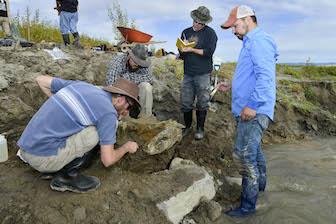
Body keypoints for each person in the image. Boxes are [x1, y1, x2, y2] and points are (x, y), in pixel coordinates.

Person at [17, 76, 141, 193]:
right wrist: (126, 147)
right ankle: (66, 176)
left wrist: (61, 106)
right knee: (95, 132)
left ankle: (56, 163)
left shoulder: (82, 86)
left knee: (85, 122)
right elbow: (107, 160)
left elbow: (40, 80)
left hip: (26, 147)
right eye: (128, 107)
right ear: (121, 99)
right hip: (41, 159)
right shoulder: (108, 113)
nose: (126, 112)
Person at [218, 5, 279, 216]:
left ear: (248, 19)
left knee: (243, 156)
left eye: (235, 26)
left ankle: (248, 208)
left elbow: (265, 77)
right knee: (255, 154)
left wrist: (252, 105)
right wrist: (232, 84)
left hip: (255, 110)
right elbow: (252, 74)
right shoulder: (250, 42)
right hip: (253, 108)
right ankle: (260, 193)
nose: (233, 31)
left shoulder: (259, 41)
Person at [178, 6, 217, 140]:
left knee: (202, 101)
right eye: (196, 21)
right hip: (188, 72)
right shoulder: (185, 32)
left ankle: (200, 128)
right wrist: (183, 50)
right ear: (193, 19)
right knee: (186, 101)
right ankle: (187, 126)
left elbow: (208, 53)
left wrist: (192, 49)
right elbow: (182, 54)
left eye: (201, 23)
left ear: (205, 22)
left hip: (203, 73)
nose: (197, 24)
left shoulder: (210, 34)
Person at [105, 43, 153, 117]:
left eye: (140, 62)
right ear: (129, 55)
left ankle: (145, 117)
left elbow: (149, 78)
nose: (137, 64)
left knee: (146, 86)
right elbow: (110, 84)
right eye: (135, 61)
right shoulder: (117, 62)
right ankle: (119, 114)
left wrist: (125, 79)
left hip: (135, 91)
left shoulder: (143, 65)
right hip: (120, 92)